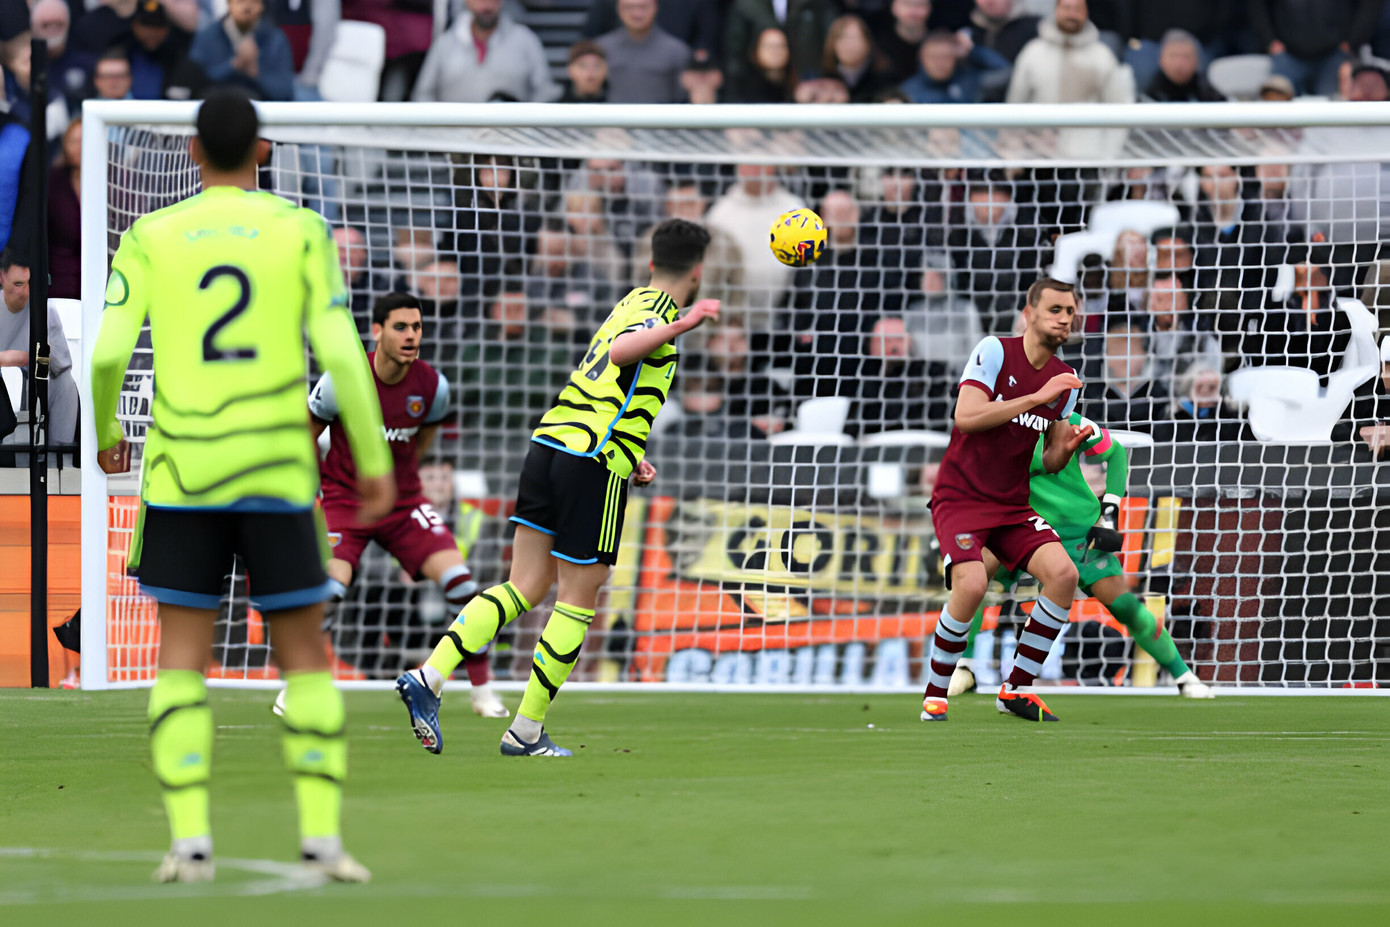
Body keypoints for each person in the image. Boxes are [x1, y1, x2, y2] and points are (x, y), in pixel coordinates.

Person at [88, 88, 393, 884]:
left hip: (183, 475)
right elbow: (341, 350)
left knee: (180, 661)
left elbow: (107, 352)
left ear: (192, 152)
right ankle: (323, 840)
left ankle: (190, 843)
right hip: (276, 474)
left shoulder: (151, 233)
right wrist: (374, 458)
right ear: (262, 150)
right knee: (305, 659)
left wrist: (109, 432)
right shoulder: (302, 229)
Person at [397, 218, 719, 757]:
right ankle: (525, 730)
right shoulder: (661, 312)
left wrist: (634, 451)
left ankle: (428, 676)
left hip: (550, 445)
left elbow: (609, 381)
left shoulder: (630, 300)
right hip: (592, 460)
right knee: (578, 596)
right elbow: (621, 354)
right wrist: (684, 323)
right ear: (698, 271)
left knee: (524, 586)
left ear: (651, 262)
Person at [287, 292, 507, 719]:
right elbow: (305, 434)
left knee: (463, 586)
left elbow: (421, 442)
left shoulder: (433, 388)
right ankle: (300, 685)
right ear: (377, 331)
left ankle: (480, 691)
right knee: (330, 590)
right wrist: (314, 491)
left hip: (404, 504)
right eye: (401, 327)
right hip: (345, 501)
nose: (411, 336)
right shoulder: (342, 380)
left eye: (417, 327)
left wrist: (397, 482)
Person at [919, 276, 1091, 724]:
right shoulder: (994, 351)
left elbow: (1048, 460)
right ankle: (935, 694)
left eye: (1070, 312)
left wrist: (1065, 450)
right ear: (1029, 313)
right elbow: (966, 416)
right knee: (973, 585)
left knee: (1064, 575)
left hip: (1012, 506)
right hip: (961, 496)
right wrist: (1034, 398)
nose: (1065, 319)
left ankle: (1016, 688)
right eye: (1055, 310)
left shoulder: (1065, 382)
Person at [949, 411, 1214, 698]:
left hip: (1076, 534)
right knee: (974, 573)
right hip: (1023, 531)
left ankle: (1184, 676)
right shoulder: (992, 428)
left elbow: (1116, 453)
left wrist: (1109, 511)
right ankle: (964, 667)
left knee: (1125, 606)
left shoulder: (1067, 421)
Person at [0, 247, 80, 448]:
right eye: (17, 284)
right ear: (2, 277)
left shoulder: (43, 308)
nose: (23, 291)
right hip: (29, 385)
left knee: (58, 450)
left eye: (28, 283)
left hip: (55, 382)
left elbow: (38, 357)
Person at [411, 0, 557, 103]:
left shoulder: (525, 39)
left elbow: (545, 92)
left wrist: (524, 124)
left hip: (511, 134)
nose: (487, 6)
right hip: (454, 135)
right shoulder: (444, 44)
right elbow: (423, 95)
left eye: (493, 0)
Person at [188, 0, 295, 101]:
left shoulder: (275, 39)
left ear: (261, 6)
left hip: (260, 109)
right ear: (229, 4)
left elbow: (284, 91)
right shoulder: (208, 36)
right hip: (215, 108)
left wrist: (255, 72)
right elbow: (194, 85)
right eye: (240, 1)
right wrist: (235, 64)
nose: (247, 7)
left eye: (253, 2)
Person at [595, 0, 691, 104]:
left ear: (655, 7)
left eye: (643, 7)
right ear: (619, 9)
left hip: (660, 113)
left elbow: (682, 99)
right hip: (610, 113)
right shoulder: (600, 48)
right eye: (629, 7)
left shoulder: (677, 51)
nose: (637, 14)